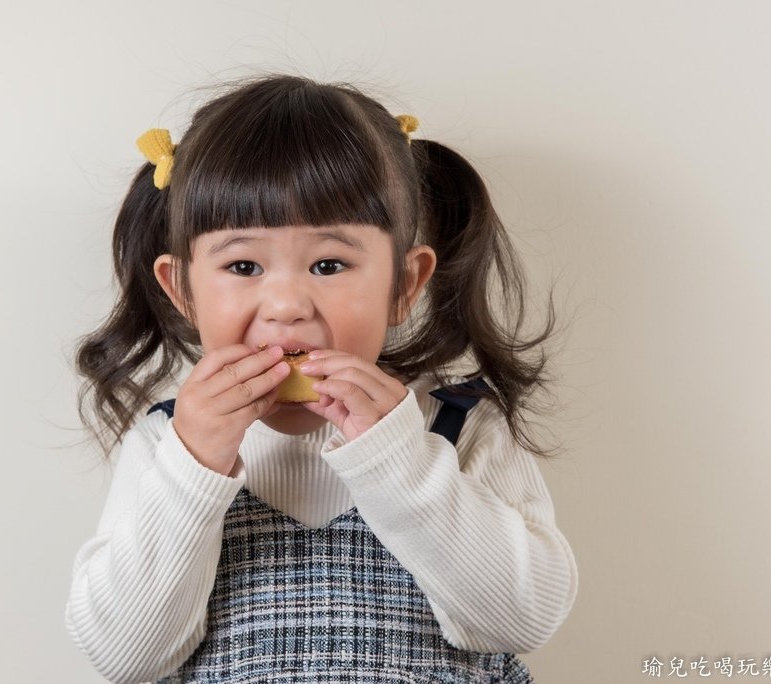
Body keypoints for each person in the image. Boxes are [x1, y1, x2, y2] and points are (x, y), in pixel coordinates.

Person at [65, 73, 578, 684]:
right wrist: (194, 467)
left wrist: (399, 460)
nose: (287, 305)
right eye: (244, 264)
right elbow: (124, 658)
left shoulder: (461, 425)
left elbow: (522, 621)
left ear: (405, 286)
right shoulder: (166, 444)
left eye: (329, 264)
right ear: (183, 291)